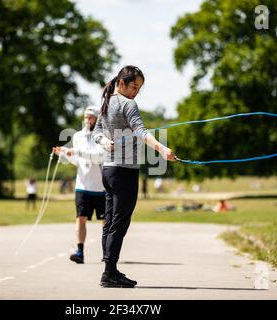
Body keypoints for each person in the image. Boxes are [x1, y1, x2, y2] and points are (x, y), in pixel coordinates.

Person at [93, 65, 176, 288]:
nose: (135, 92)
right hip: (124, 172)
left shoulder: (107, 100)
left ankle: (109, 269)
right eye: (133, 86)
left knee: (110, 221)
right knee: (119, 223)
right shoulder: (127, 104)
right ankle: (109, 273)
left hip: (108, 171)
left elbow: (97, 133)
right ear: (121, 83)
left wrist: (104, 142)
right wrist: (162, 149)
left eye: (139, 88)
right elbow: (141, 131)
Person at [53, 106, 106, 264]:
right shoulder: (78, 136)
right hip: (82, 186)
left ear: (97, 119)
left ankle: (107, 252)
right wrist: (66, 154)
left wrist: (76, 152)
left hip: (101, 187)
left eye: (90, 117)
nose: (87, 120)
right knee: (80, 218)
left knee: (106, 222)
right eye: (85, 117)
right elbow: (78, 161)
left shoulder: (102, 136)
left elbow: (99, 157)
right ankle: (80, 251)